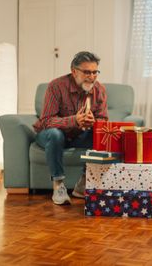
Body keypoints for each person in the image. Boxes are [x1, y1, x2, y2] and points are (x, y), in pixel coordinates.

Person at [33, 51, 108, 205]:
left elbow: (103, 120)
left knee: (102, 133)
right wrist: (74, 120)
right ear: (74, 71)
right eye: (87, 72)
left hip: (77, 136)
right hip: (50, 135)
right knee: (55, 134)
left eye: (95, 72)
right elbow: (47, 121)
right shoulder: (56, 86)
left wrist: (94, 122)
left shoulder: (99, 90)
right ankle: (58, 185)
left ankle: (83, 183)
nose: (92, 76)